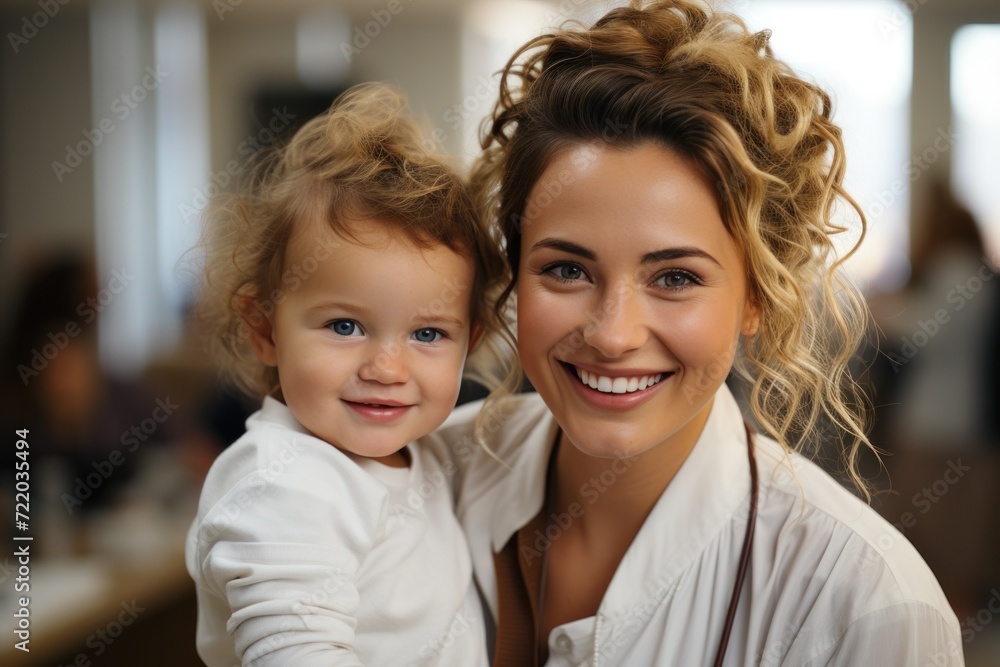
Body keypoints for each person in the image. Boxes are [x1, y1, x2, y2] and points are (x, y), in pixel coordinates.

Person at [422, 1, 964, 665]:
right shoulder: (410, 480)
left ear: (757, 298)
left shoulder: (864, 605)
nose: (613, 334)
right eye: (566, 268)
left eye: (675, 278)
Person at [185, 82, 506, 666]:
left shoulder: (422, 453)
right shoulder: (283, 485)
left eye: (428, 334)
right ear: (265, 330)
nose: (387, 368)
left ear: (470, 344)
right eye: (345, 326)